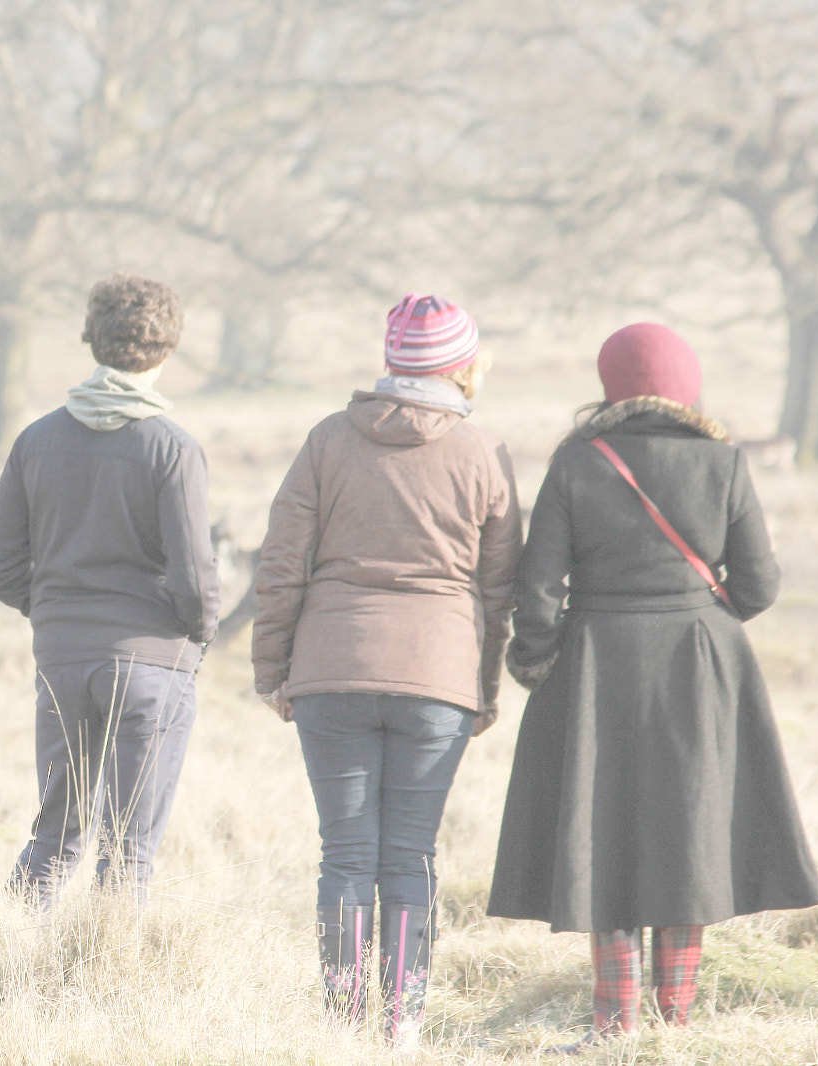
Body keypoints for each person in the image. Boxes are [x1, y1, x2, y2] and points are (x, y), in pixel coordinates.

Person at [488, 323, 818, 1050]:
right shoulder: (723, 461)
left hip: (595, 666)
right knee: (688, 834)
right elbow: (760, 583)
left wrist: (532, 661)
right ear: (687, 383)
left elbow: (539, 588)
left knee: (600, 830)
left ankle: (616, 1024)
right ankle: (674, 1020)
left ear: (610, 383)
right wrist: (703, 618)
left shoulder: (576, 463)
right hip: (698, 666)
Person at [252, 294, 522, 1050]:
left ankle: (341, 1027)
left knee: (343, 854)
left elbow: (281, 565)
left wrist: (274, 669)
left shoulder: (328, 440)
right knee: (409, 856)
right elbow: (500, 591)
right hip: (438, 680)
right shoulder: (485, 454)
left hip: (330, 671)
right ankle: (401, 1030)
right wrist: (485, 689)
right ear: (462, 367)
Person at [0, 272, 220, 909]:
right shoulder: (173, 449)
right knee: (129, 848)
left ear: (92, 340)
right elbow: (196, 579)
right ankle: (110, 987)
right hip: (152, 666)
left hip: (61, 659)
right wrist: (197, 636)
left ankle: (8, 966)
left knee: (54, 835)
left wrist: (57, 613)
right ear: (167, 349)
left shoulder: (36, 441)